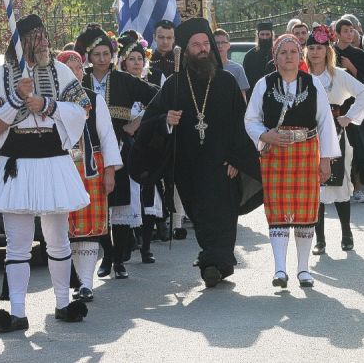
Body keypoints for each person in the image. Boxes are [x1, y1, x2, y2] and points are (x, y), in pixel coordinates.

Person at [0, 14, 91, 333]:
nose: (44, 41)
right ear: (22, 42)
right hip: (16, 163)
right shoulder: (0, 77)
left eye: (45, 35)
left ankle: (62, 303)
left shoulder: (59, 70)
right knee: (17, 244)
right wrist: (16, 100)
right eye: (37, 36)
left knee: (58, 239)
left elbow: (82, 110)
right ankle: (17, 311)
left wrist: (48, 105)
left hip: (53, 161)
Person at [134, 18, 263, 287]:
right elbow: (149, 122)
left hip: (223, 162)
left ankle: (213, 262)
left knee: (224, 212)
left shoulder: (227, 82)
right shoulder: (174, 84)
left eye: (206, 44)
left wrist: (238, 158)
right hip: (189, 164)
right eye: (196, 45)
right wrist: (166, 121)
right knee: (201, 214)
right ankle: (217, 261)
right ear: (186, 49)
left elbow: (242, 123)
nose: (203, 49)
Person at [245, 34, 339, 288]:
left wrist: (326, 159)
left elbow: (325, 122)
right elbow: (251, 119)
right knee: (277, 212)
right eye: (283, 52)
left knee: (306, 212)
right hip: (275, 154)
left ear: (300, 56)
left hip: (307, 152)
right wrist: (265, 135)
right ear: (275, 58)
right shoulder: (264, 84)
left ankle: (303, 270)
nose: (288, 56)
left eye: (293, 52)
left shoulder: (313, 83)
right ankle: (279, 270)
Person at [74, 24, 159, 280]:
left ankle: (120, 259)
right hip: (88, 152)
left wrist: (137, 122)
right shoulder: (81, 81)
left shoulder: (124, 80)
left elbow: (156, 96)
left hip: (120, 151)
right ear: (88, 57)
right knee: (99, 204)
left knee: (120, 205)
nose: (101, 59)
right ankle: (107, 255)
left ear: (112, 55)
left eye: (105, 54)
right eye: (96, 54)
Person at [56, 50, 122, 302]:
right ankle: (71, 282)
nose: (76, 74)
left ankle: (85, 283)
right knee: (65, 230)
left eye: (78, 69)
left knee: (90, 229)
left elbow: (107, 136)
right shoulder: (50, 101)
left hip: (91, 167)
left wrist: (110, 171)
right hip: (61, 168)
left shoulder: (94, 99)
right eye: (70, 69)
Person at [305, 25, 364, 254]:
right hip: (307, 136)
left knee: (339, 181)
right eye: (311, 47)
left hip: (334, 133)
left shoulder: (338, 75)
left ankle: (346, 234)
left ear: (327, 50)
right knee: (315, 188)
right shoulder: (300, 76)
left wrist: (349, 117)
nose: (315, 52)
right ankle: (320, 240)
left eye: (319, 48)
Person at [115, 33, 166, 262]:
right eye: (131, 58)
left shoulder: (151, 88)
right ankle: (126, 244)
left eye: (139, 59)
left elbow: (159, 114)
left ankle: (146, 246)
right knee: (126, 196)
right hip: (125, 148)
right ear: (124, 62)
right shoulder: (121, 90)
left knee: (147, 195)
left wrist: (140, 124)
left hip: (145, 149)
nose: (136, 63)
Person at [333, 18, 364, 202]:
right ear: (337, 33)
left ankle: (357, 188)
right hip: (334, 106)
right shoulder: (329, 52)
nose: (350, 34)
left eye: (351, 30)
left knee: (356, 149)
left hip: (351, 107)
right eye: (345, 30)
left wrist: (351, 68)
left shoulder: (358, 53)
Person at [214, 28, 249, 101]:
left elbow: (242, 98)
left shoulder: (237, 69)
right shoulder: (206, 68)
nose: (220, 46)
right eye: (216, 43)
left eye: (223, 42)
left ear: (229, 45)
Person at [243, 22, 275, 95]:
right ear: (258, 35)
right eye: (262, 34)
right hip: (255, 93)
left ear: (271, 35)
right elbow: (246, 80)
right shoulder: (249, 56)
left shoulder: (278, 53)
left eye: (267, 34)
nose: (265, 37)